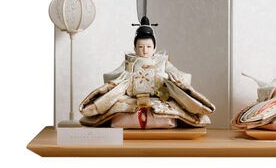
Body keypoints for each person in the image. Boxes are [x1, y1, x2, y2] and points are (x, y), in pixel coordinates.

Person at [79, 17, 215, 129]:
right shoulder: (130, 62)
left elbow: (180, 75)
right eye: (141, 47)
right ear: (135, 48)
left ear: (154, 48)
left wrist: (168, 77)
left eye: (149, 46)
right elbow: (113, 75)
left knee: (171, 110)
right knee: (117, 110)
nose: (145, 50)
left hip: (159, 97)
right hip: (131, 97)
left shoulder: (162, 61)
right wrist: (125, 78)